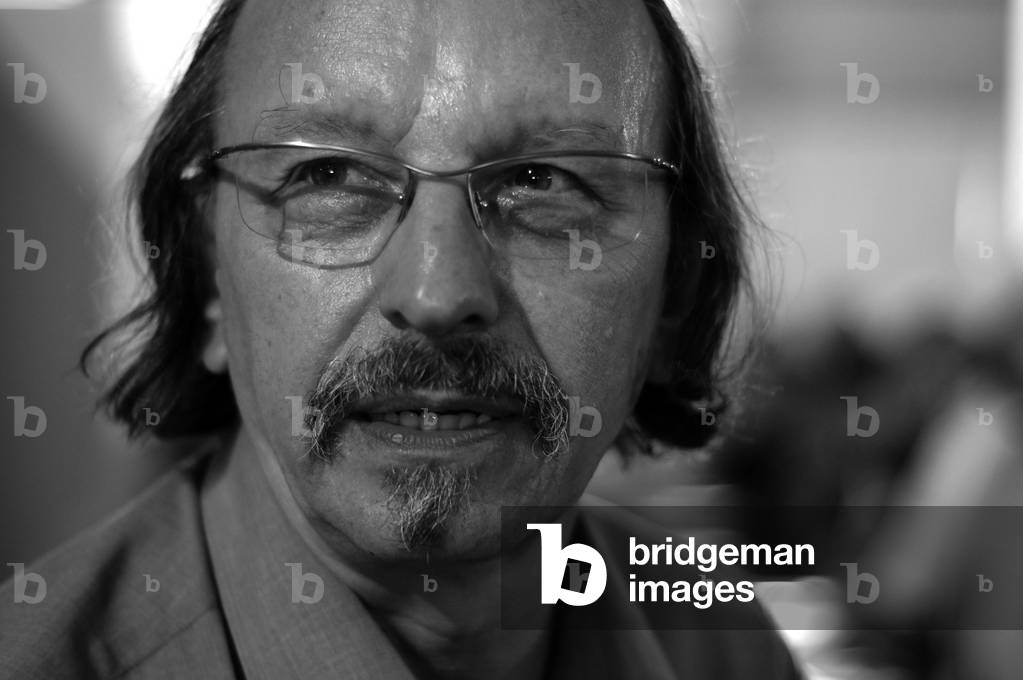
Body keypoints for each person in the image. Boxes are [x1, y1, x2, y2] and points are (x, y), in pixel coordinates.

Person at [0, 0, 800, 677]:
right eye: (328, 176)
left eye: (543, 181)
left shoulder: (722, 643)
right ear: (208, 283)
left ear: (673, 294)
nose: (437, 293)